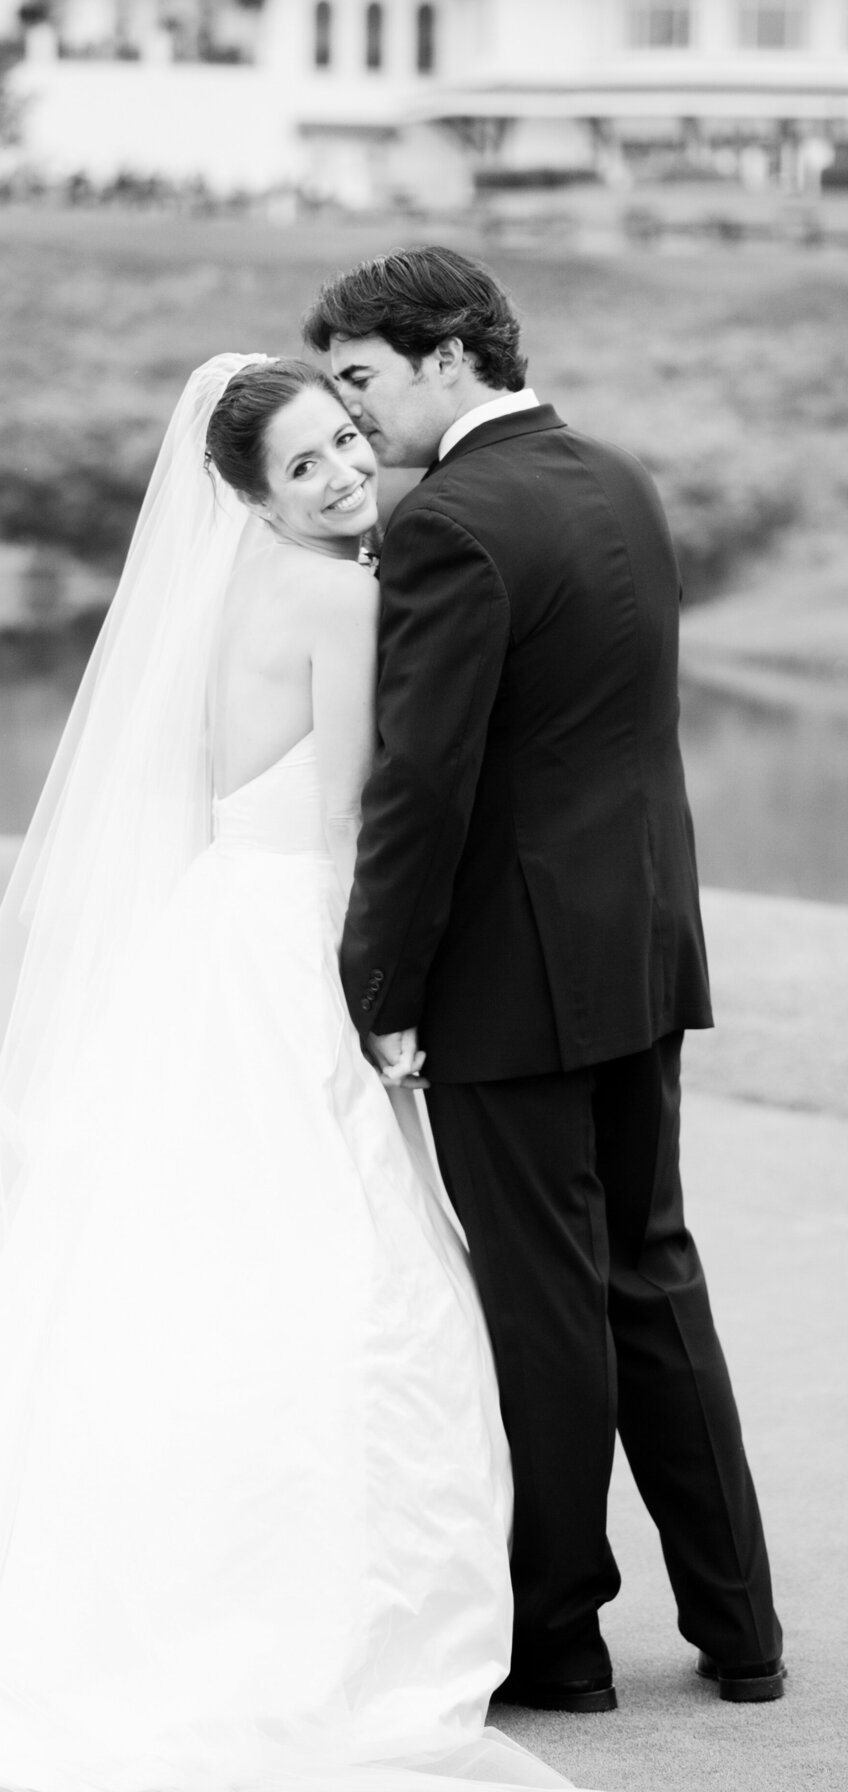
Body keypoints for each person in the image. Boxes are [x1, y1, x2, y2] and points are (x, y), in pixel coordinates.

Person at [0, 356, 658, 1792]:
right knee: (343, 1283)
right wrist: (384, 1010)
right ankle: (288, 1624)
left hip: (218, 938)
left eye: (345, 444)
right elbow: (354, 819)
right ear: (251, 496)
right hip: (295, 949)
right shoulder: (338, 592)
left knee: (181, 1273)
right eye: (305, 468)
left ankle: (121, 1591)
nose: (339, 476)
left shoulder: (242, 586)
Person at [303, 247, 784, 1712]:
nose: (351, 412)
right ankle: (743, 1629)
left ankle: (559, 1645)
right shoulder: (620, 478)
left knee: (547, 1303)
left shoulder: (449, 522)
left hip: (515, 972)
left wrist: (376, 981)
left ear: (448, 355)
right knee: (653, 1269)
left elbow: (424, 788)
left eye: (363, 377)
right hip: (643, 942)